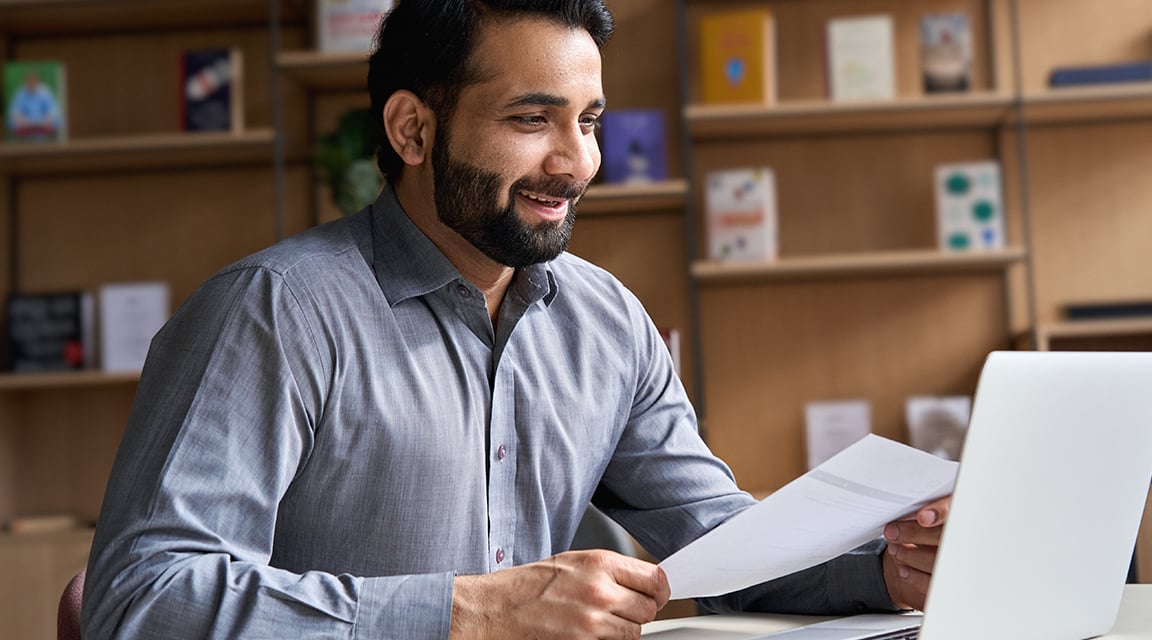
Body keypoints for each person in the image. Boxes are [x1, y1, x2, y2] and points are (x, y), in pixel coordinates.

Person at [82, 1, 950, 637]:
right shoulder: (273, 313)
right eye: (532, 119)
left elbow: (718, 544)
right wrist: (473, 611)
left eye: (589, 121)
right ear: (413, 130)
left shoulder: (605, 322)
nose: (575, 163)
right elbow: (145, 596)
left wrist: (883, 570)